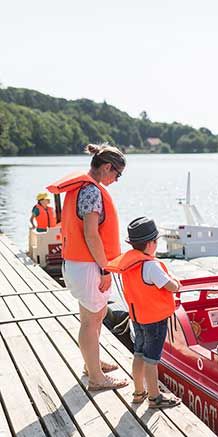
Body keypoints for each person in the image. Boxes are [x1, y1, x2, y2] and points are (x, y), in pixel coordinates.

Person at [47, 143, 128, 391]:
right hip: (89, 266)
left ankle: (92, 364)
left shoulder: (83, 188)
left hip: (78, 264)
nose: (116, 179)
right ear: (106, 167)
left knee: (93, 317)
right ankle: (96, 378)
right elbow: (91, 235)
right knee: (90, 323)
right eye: (117, 174)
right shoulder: (91, 192)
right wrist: (105, 269)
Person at [105, 217, 181, 408]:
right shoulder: (151, 266)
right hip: (154, 321)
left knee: (138, 353)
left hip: (137, 318)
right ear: (150, 243)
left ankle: (139, 391)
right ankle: (155, 397)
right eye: (156, 241)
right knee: (152, 359)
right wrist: (175, 280)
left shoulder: (130, 264)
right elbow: (172, 287)